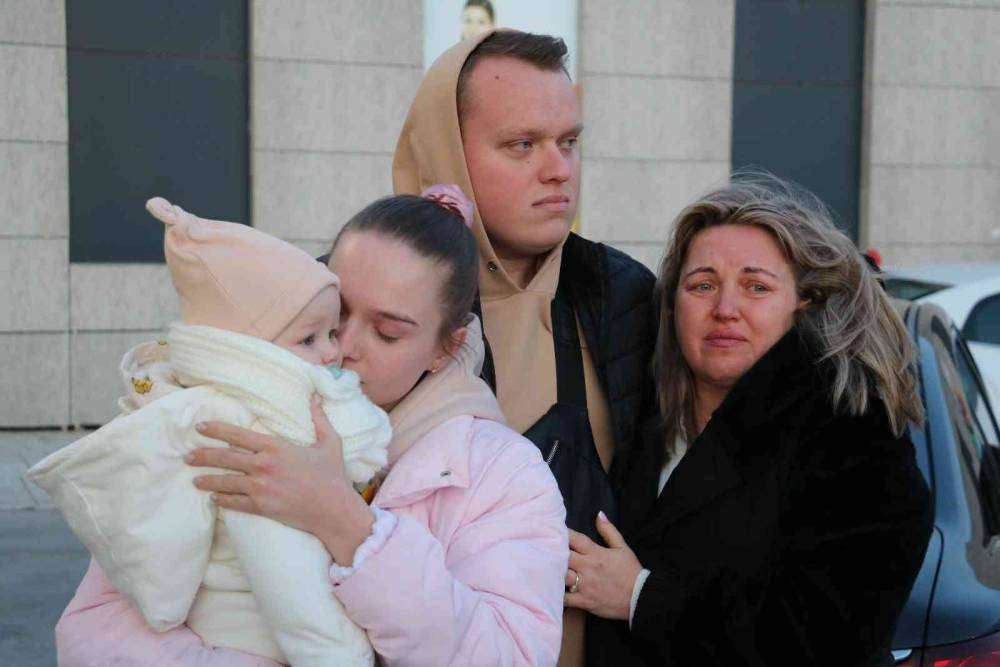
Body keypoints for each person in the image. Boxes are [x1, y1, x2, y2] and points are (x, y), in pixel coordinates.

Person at [53, 188, 569, 666]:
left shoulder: (502, 474)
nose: (343, 347)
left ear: (444, 348)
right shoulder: (228, 411)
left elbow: (510, 655)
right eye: (334, 314)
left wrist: (345, 523)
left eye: (387, 333)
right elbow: (95, 628)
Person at [566, 175, 935, 665]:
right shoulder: (636, 417)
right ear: (673, 304)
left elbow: (824, 638)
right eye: (703, 285)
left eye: (756, 287)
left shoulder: (856, 441)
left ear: (802, 303)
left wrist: (640, 597)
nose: (725, 309)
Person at [393, 30, 659, 664]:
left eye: (568, 142)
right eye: (522, 144)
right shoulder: (351, 303)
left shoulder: (624, 296)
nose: (558, 169)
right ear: (447, 154)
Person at [32, 196, 392, 665]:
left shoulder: (219, 405)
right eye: (309, 338)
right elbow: (286, 572)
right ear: (247, 351)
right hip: (260, 640)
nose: (332, 352)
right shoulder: (253, 435)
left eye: (331, 333)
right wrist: (342, 658)